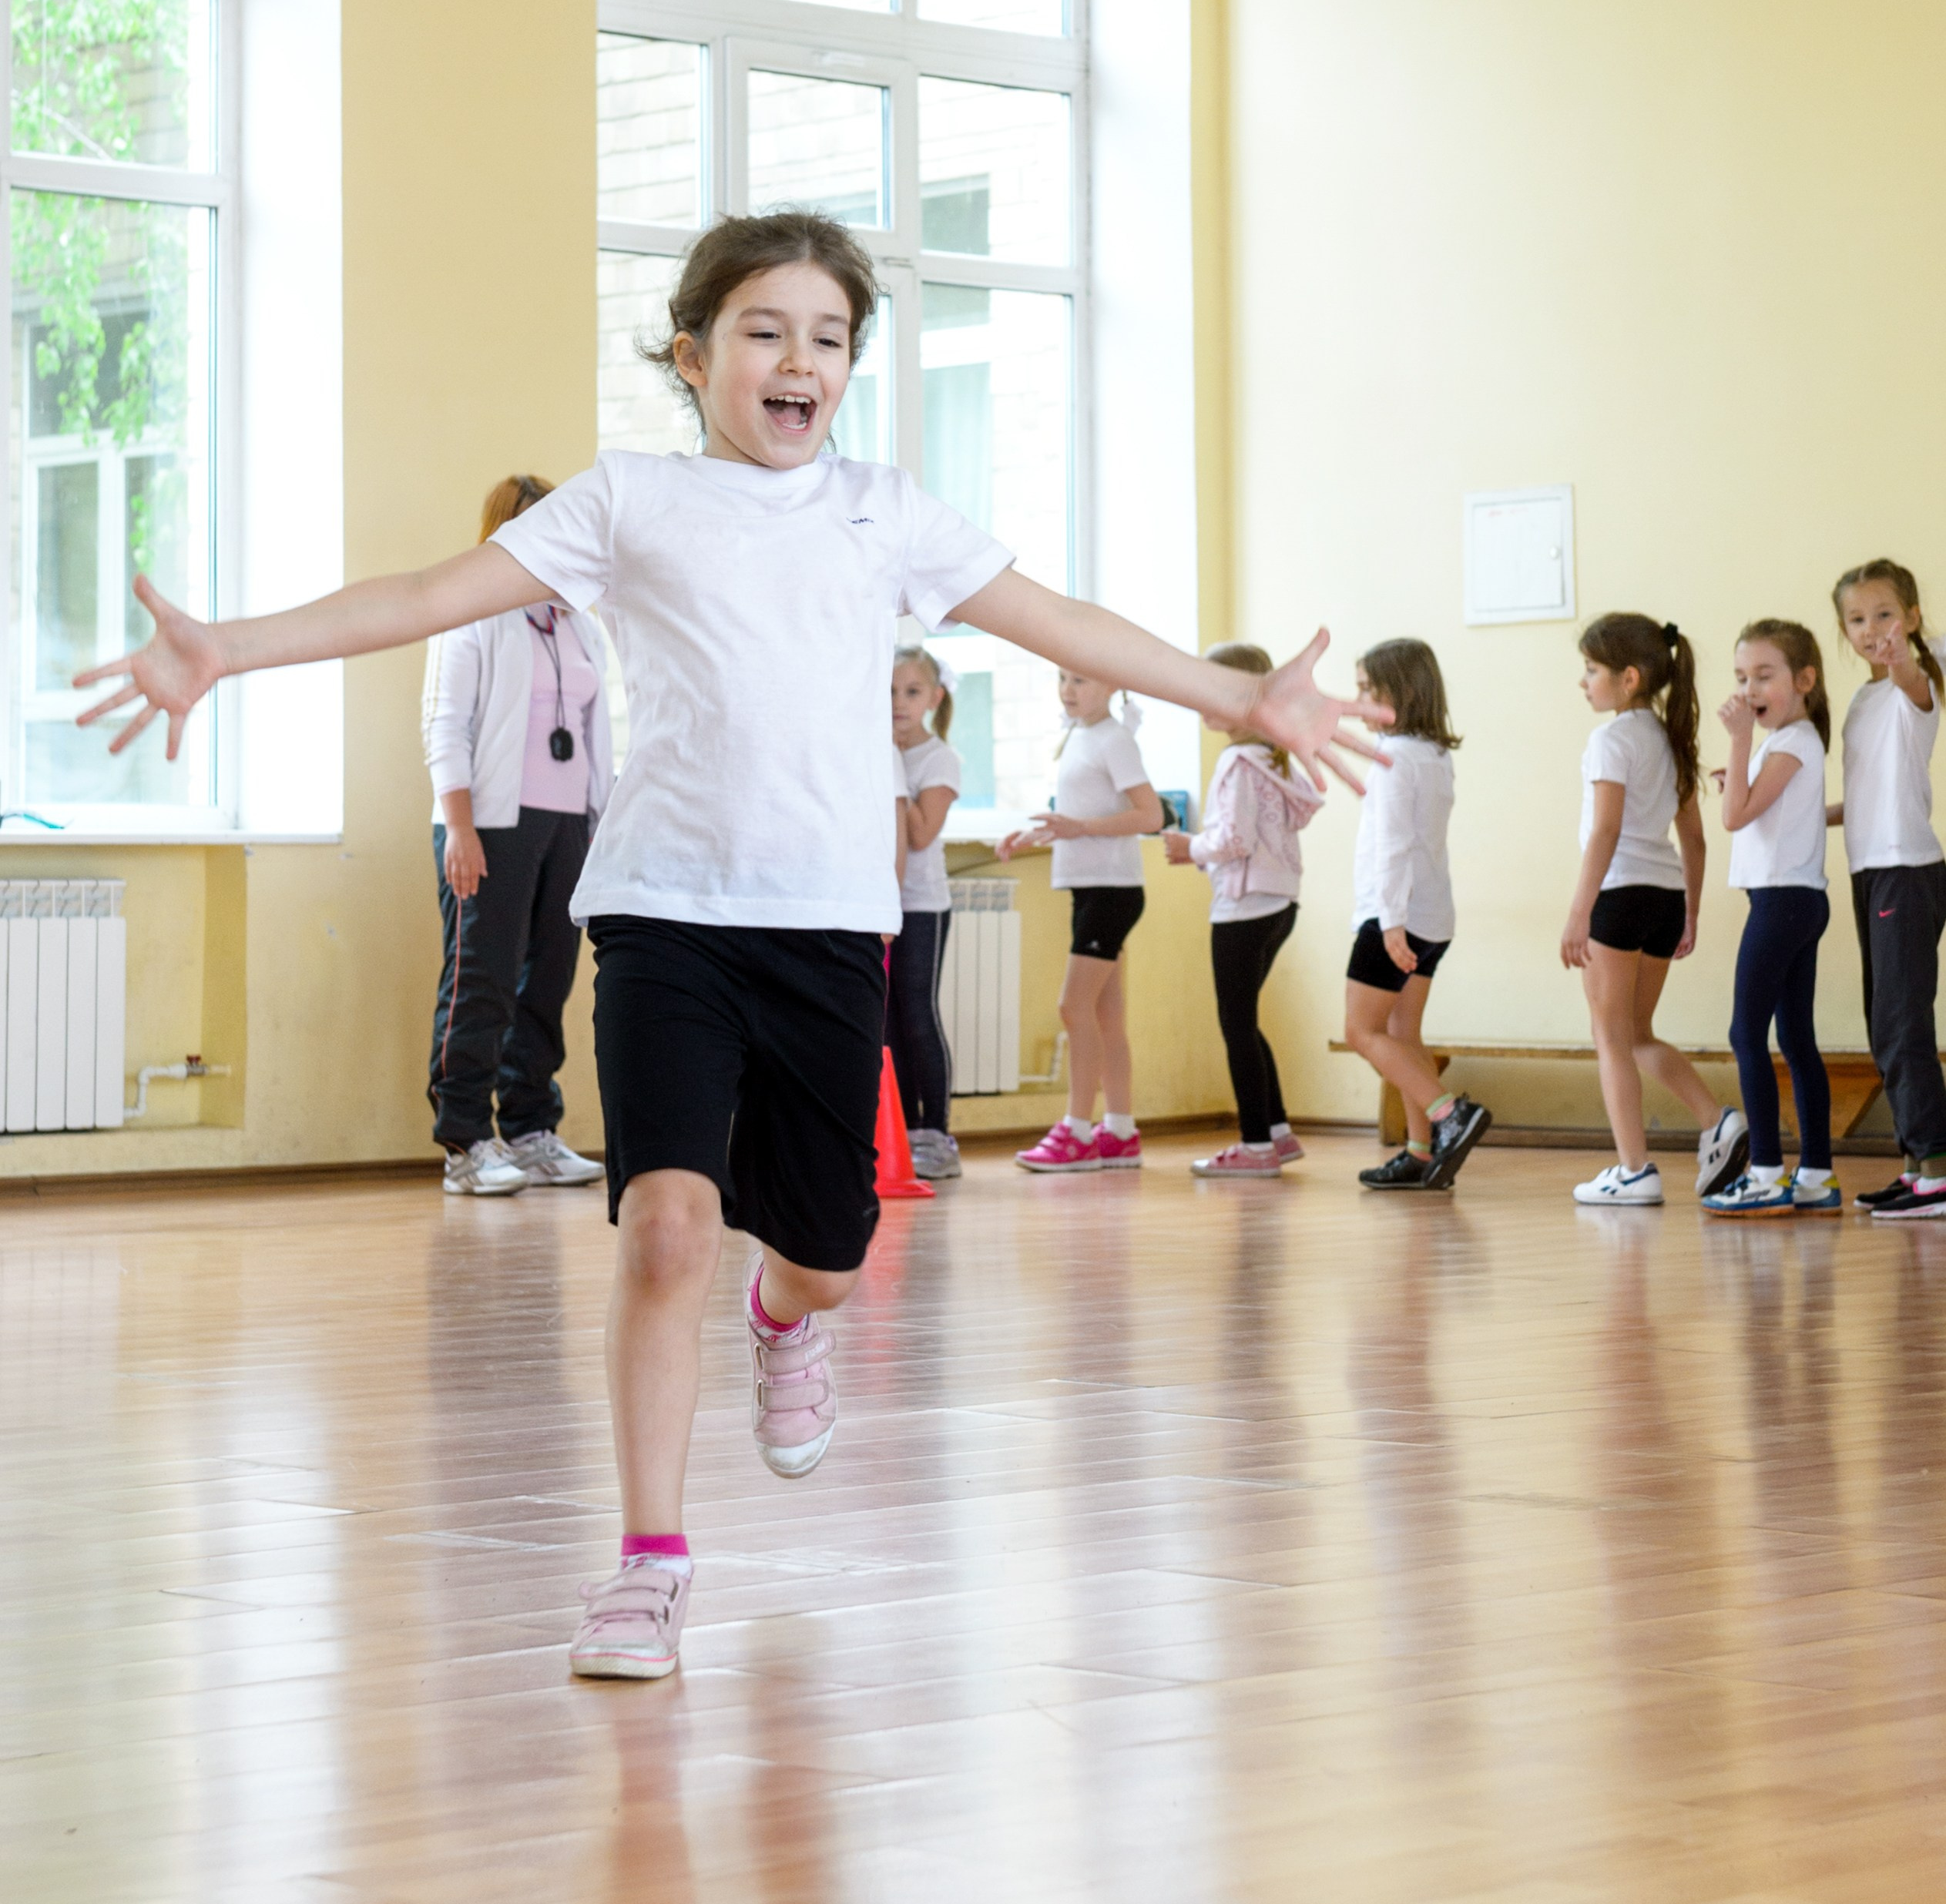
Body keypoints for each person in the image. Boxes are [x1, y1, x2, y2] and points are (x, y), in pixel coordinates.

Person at [74, 207, 1385, 1685]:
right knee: (667, 1227)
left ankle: (789, 1316)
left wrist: (1246, 700)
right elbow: (428, 596)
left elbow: (1056, 614)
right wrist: (227, 647)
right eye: (765, 331)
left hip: (828, 923)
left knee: (824, 1249)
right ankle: (647, 1563)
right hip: (661, 914)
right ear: (694, 357)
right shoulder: (627, 500)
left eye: (829, 338)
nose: (798, 360)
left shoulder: (882, 509)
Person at [421, 473, 611, 1195]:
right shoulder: (473, 614)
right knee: (483, 983)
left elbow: (598, 739)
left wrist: (600, 829)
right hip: (491, 824)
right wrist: (459, 826)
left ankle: (531, 1129)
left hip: (569, 827)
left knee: (549, 982)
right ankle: (465, 1140)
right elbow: (445, 725)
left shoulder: (578, 620)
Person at [1560, 612, 1747, 1208]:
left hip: (1617, 897)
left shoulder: (1610, 741)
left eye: (1591, 670)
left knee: (1611, 1037)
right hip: (1664, 898)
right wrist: (1690, 911)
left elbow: (1606, 831)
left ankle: (1634, 1169)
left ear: (1630, 678)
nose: (1583, 681)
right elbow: (1693, 839)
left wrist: (1578, 912)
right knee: (1637, 1033)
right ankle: (1716, 1120)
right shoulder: (1672, 739)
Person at [1162, 639, 1318, 1175]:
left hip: (1242, 907)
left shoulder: (1235, 760)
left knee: (1236, 1026)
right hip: (1280, 903)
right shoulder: (1273, 759)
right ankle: (1276, 1131)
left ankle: (1255, 1147)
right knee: (1246, 1022)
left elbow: (1233, 838)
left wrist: (1191, 847)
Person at [1340, 637, 1491, 1190]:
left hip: (1395, 918)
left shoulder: (1393, 756)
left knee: (1361, 1030)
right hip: (1433, 917)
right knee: (1404, 1033)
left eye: (1365, 689)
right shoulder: (1433, 754)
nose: (1356, 700)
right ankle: (1422, 1152)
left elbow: (1395, 844)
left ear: (1396, 692)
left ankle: (1450, 1114)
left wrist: (1388, 920)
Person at [998, 670, 1165, 1171]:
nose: (1068, 689)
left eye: (1082, 680)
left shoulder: (1115, 740)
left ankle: (1076, 1131)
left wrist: (1081, 828)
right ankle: (1119, 1130)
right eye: (1062, 678)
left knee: (1073, 1008)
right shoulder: (1079, 736)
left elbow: (1151, 815)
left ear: (1113, 684)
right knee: (1105, 1015)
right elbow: (1080, 819)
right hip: (1092, 890)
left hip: (1111, 893)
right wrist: (1037, 835)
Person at [1702, 621, 1838, 1215]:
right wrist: (1742, 774)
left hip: (1782, 903)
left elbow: (1734, 819)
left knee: (1745, 1034)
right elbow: (1763, 812)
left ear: (1804, 680)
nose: (1748, 688)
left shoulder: (1788, 741)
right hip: (1795, 900)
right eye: (1740, 677)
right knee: (1796, 1039)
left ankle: (1763, 1171)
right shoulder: (1793, 741)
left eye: (1764, 675)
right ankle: (1815, 1175)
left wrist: (1735, 747)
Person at [1830, 558, 1946, 1215]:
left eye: (1884, 614)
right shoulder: (1863, 699)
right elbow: (1869, 792)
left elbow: (1910, 671)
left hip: (1908, 867)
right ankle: (1916, 1164)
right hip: (1870, 867)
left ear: (1911, 618)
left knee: (1904, 1024)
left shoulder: (1915, 680)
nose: (1871, 630)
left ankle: (1938, 1167)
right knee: (1885, 1025)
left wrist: (1905, 654)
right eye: (1857, 619)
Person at [888, 645, 961, 1181]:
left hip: (922, 904)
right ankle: (907, 1132)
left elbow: (919, 834)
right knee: (890, 1022)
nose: (898, 703)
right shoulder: (880, 750)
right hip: (880, 903)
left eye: (911, 692)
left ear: (935, 699)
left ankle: (937, 1134)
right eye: (889, 691)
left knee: (918, 1015)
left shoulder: (938, 758)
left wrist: (892, 766)